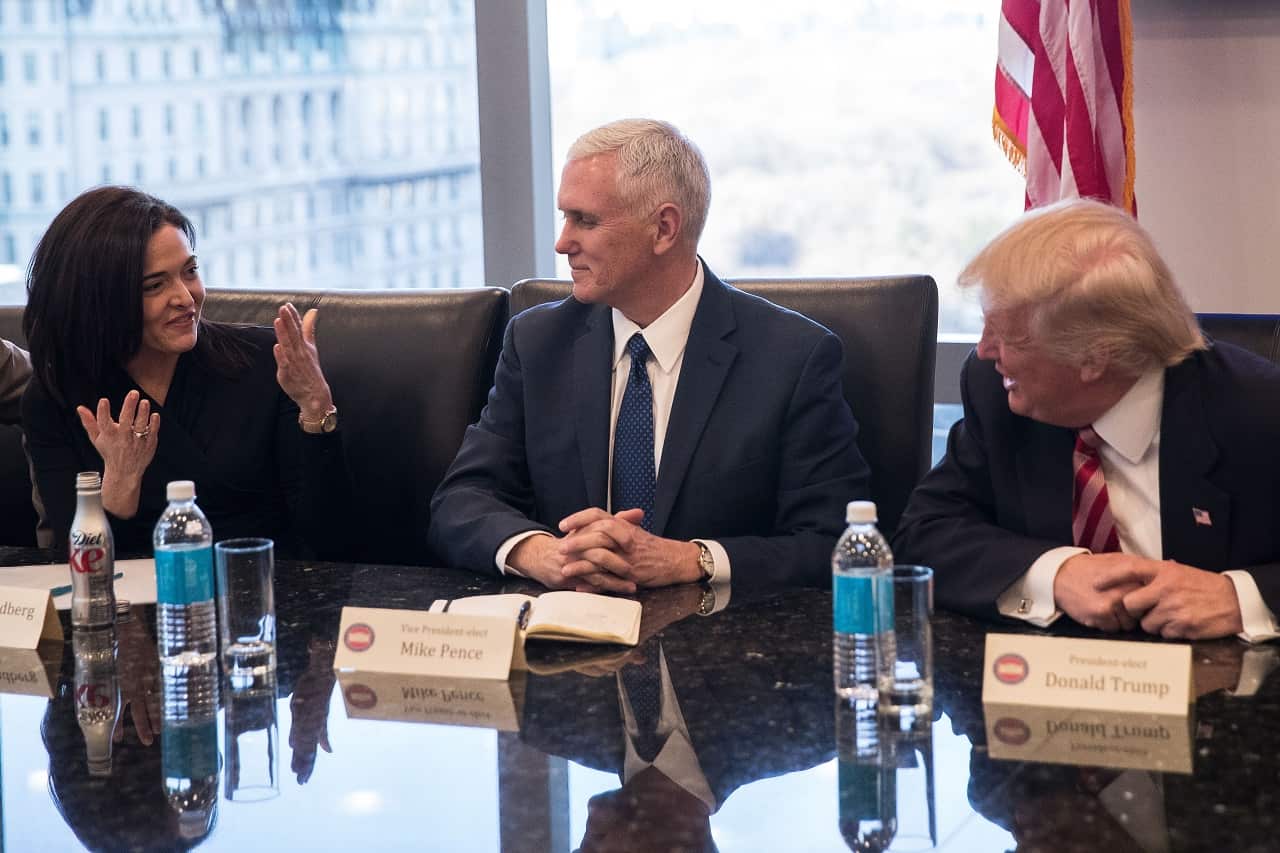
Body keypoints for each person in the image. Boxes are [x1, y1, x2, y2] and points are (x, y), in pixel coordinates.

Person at [428, 118, 868, 592]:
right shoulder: (538, 342)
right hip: (569, 642)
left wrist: (691, 559)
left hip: (717, 647)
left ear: (663, 228)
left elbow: (835, 542)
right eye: (564, 217)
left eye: (586, 220)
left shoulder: (792, 357)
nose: (562, 243)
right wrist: (546, 554)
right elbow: (461, 501)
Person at [893, 198, 1280, 641]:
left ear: (1094, 358)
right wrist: (1057, 574)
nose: (984, 351)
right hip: (1046, 686)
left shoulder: (1259, 413)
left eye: (1007, 335)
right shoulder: (998, 393)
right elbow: (925, 533)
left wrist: (1240, 597)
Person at [22, 186, 350, 557]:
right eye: (155, 286)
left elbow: (333, 542)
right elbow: (81, 568)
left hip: (264, 592)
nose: (185, 297)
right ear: (98, 299)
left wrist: (315, 406)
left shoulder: (267, 362)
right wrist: (120, 484)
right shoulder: (57, 395)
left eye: (190, 271)